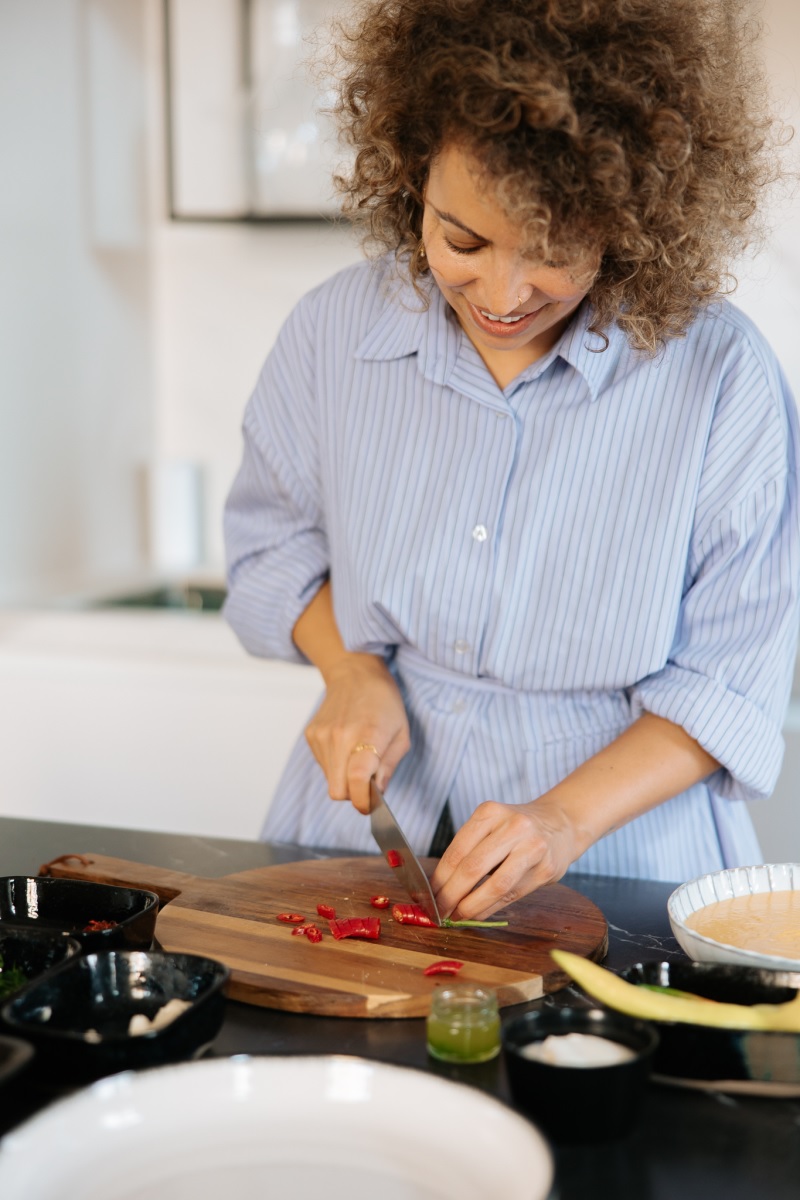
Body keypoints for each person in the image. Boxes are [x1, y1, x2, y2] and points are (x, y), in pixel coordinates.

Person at [223, 0, 800, 920]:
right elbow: (270, 550)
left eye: (554, 252)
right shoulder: (332, 331)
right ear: (411, 174)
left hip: (627, 867)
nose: (501, 293)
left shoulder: (722, 375)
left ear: (631, 218)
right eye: (462, 240)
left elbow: (730, 684)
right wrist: (351, 670)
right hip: (355, 847)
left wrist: (564, 819)